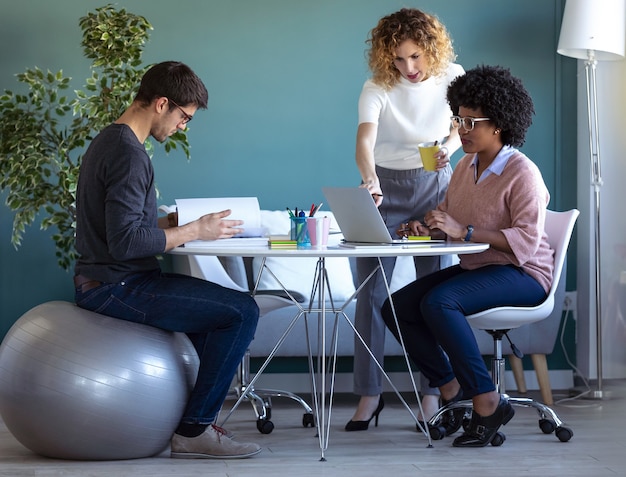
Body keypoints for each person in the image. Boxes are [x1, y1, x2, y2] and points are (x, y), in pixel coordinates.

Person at [73, 61, 262, 459]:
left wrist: (171, 223)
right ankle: (194, 431)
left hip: (106, 279)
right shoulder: (129, 154)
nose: (182, 127)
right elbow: (125, 243)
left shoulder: (110, 140)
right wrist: (195, 232)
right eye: (184, 117)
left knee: (220, 318)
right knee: (242, 311)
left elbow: (117, 227)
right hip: (117, 286)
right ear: (162, 103)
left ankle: (192, 420)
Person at [381, 64, 553, 447]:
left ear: (500, 124)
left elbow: (525, 241)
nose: (462, 129)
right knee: (396, 306)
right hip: (480, 267)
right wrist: (430, 230)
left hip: (523, 273)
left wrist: (465, 231)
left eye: (472, 122)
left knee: (440, 302)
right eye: (459, 119)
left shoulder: (522, 173)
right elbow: (452, 223)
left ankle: (487, 400)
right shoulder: (464, 167)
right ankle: (451, 389)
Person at [347, 8, 463, 431]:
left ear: (430, 49)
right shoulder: (377, 85)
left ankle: (434, 395)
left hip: (435, 183)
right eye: (398, 59)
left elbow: (458, 126)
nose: (408, 68)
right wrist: (369, 178)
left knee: (435, 297)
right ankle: (369, 395)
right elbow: (364, 138)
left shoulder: (453, 75)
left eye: (415, 56)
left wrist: (448, 144)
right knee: (371, 296)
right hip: (383, 190)